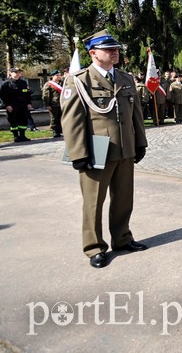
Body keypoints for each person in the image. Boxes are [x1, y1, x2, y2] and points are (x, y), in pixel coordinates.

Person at [61, 29, 149, 268]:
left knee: (123, 199)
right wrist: (78, 154)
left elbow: (136, 115)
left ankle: (122, 238)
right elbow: (71, 121)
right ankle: (94, 247)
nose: (115, 53)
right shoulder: (78, 80)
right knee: (93, 202)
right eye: (109, 49)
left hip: (124, 148)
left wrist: (140, 142)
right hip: (96, 149)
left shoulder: (125, 78)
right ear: (92, 53)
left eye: (116, 49)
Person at [2, 67, 34, 142]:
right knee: (13, 121)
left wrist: (29, 103)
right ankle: (16, 136)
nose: (17, 74)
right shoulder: (6, 84)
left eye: (18, 72)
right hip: (12, 106)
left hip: (22, 106)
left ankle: (22, 135)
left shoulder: (23, 83)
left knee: (23, 121)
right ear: (11, 73)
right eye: (15, 72)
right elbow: (3, 96)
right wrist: (7, 105)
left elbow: (27, 94)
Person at [41, 70, 64, 137]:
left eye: (59, 75)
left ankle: (60, 130)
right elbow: (46, 95)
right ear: (52, 76)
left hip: (62, 103)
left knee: (61, 117)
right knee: (54, 118)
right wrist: (47, 104)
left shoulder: (62, 83)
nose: (59, 76)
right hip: (54, 104)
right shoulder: (48, 84)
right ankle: (55, 131)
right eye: (57, 75)